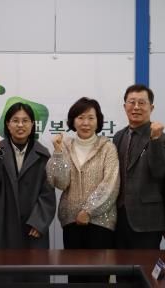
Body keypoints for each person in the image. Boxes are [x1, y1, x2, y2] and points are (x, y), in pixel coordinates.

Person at [0, 102, 56, 249]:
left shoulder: (43, 155)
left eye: (25, 120)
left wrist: (39, 222)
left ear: (32, 124)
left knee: (32, 263)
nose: (20, 125)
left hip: (31, 226)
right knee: (3, 263)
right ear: (8, 125)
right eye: (15, 120)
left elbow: (48, 194)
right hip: (2, 223)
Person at [46, 97, 119, 252]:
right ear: (73, 121)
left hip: (101, 222)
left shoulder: (108, 148)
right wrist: (58, 153)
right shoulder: (65, 146)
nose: (86, 123)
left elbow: (110, 185)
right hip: (71, 221)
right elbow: (61, 183)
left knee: (99, 267)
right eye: (80, 118)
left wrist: (88, 211)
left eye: (91, 118)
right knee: (74, 267)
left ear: (98, 121)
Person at [113, 84, 165, 249]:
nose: (136, 107)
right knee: (120, 264)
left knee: (145, 265)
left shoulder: (162, 139)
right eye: (132, 102)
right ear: (124, 106)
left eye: (142, 102)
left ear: (151, 107)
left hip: (147, 220)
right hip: (119, 217)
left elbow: (159, 172)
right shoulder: (118, 136)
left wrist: (154, 140)